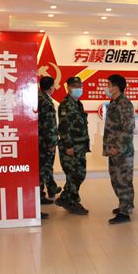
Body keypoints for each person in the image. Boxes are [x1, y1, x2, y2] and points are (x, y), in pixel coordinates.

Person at [56, 76, 90, 215]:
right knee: (75, 175)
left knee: (79, 174)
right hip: (71, 147)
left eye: (80, 86)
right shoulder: (65, 104)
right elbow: (63, 127)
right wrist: (68, 145)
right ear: (68, 88)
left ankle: (65, 198)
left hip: (80, 146)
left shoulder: (78, 104)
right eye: (75, 86)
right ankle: (72, 202)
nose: (78, 89)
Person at [104, 74, 136, 224]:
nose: (106, 87)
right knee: (116, 179)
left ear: (116, 87)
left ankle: (125, 212)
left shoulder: (124, 104)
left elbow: (128, 128)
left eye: (109, 84)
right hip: (114, 150)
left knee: (123, 181)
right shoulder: (114, 102)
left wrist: (117, 147)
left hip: (122, 151)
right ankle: (125, 204)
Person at [38, 76, 60, 219]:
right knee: (44, 168)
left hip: (40, 140)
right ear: (50, 87)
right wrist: (52, 142)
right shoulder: (45, 101)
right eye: (53, 85)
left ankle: (42, 194)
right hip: (45, 142)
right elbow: (49, 124)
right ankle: (41, 195)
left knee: (42, 168)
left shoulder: (39, 97)